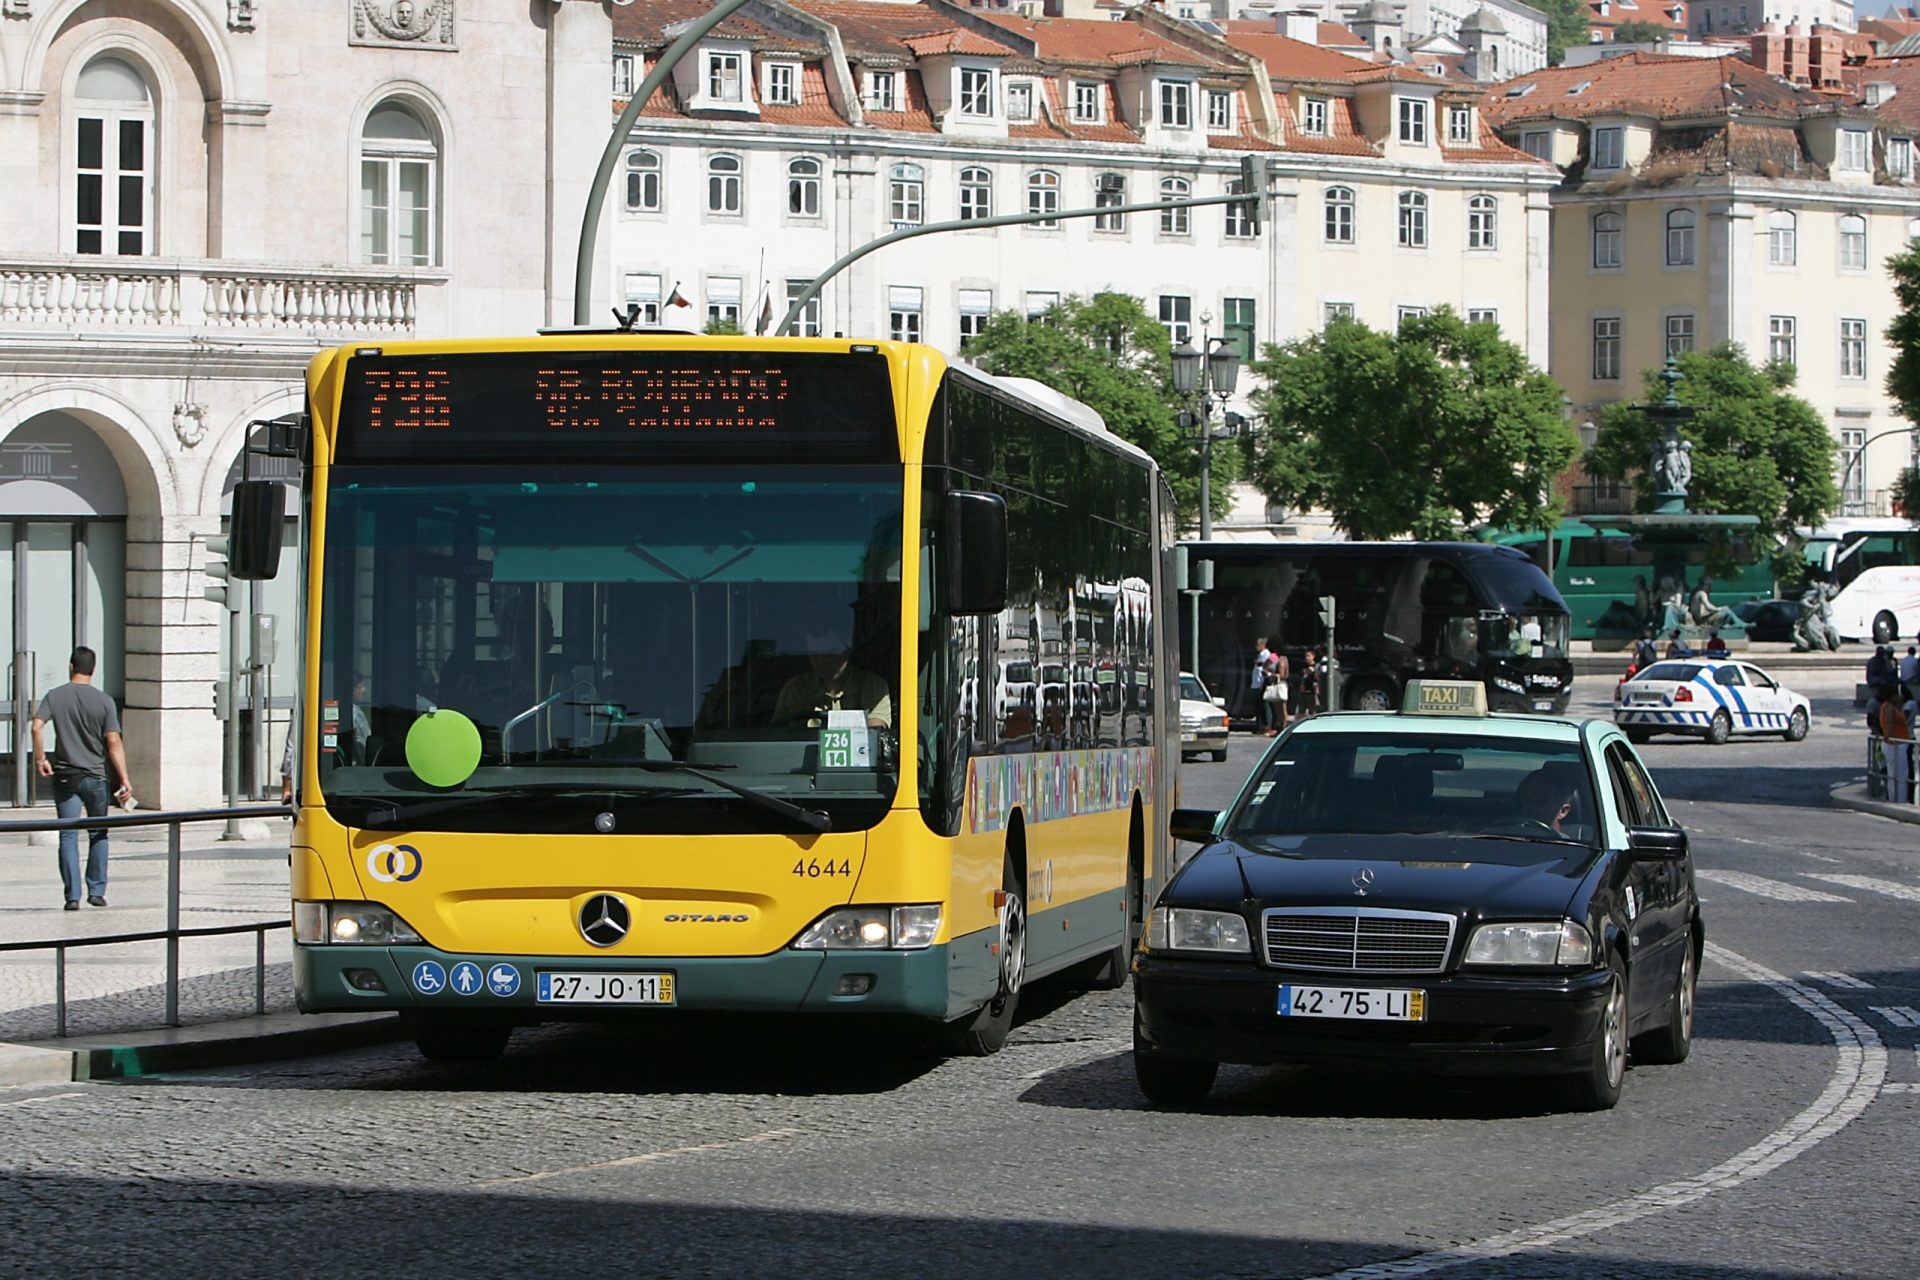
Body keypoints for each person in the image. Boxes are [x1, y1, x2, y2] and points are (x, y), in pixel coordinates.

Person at [30, 647, 132, 910]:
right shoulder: (104, 701)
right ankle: (96, 892)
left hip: (65, 776)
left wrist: (41, 758)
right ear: (93, 670)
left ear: (70, 667)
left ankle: (72, 897)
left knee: (67, 835)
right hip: (96, 777)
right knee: (98, 833)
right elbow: (113, 742)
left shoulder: (55, 696)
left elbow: (36, 725)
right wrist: (124, 779)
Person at [775, 622, 892, 728]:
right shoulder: (795, 689)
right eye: (814, 655)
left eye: (829, 654)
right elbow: (778, 737)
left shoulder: (872, 686)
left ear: (848, 649)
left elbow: (874, 736)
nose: (821, 661)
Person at [1514, 767, 1577, 836]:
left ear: (1563, 811)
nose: (1533, 808)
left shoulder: (1570, 845)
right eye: (1527, 801)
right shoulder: (1508, 836)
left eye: (1541, 803)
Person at [1263, 650, 1290, 735]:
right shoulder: (1282, 659)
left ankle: (1282, 729)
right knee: (1279, 710)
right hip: (1280, 685)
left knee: (1282, 709)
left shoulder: (1281, 660)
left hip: (1279, 686)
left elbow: (1282, 675)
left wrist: (1269, 674)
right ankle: (1280, 728)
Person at [1295, 648, 1320, 719]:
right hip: (1303, 691)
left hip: (1311, 692)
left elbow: (1317, 679)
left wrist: (1313, 673)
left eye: (1309, 656)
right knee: (1301, 710)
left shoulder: (1316, 666)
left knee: (1312, 710)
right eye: (1306, 656)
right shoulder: (1303, 666)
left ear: (1313, 656)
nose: (1307, 658)